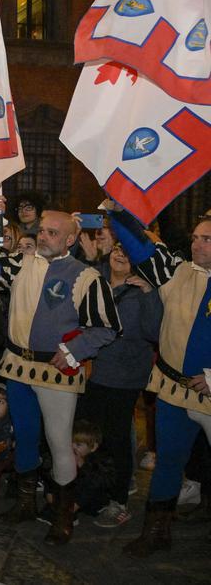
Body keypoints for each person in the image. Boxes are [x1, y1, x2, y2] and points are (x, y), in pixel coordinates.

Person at [0, 193, 120, 546]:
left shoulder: (86, 277)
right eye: (41, 231)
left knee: (59, 442)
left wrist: (73, 351)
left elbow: (106, 326)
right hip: (17, 366)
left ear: (71, 239)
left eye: (52, 233)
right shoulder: (22, 263)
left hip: (57, 372)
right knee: (24, 435)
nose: (43, 237)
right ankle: (27, 504)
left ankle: (62, 515)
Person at [108, 207, 211, 557]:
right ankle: (156, 531)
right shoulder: (176, 270)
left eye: (207, 239)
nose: (197, 245)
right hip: (171, 389)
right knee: (168, 460)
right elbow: (140, 247)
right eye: (196, 238)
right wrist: (118, 209)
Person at [76, 243, 161, 528]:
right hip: (90, 370)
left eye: (127, 251)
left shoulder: (144, 289)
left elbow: (153, 332)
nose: (120, 254)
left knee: (116, 438)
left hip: (124, 376)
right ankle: (90, 491)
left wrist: (149, 295)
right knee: (86, 433)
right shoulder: (94, 277)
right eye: (116, 248)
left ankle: (118, 499)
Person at [38, 420, 116, 526]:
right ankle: (55, 506)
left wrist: (82, 466)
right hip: (70, 495)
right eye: (70, 443)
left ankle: (67, 511)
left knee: (88, 485)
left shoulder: (99, 461)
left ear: (93, 447)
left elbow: (100, 482)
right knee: (53, 475)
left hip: (92, 501)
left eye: (78, 445)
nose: (72, 447)